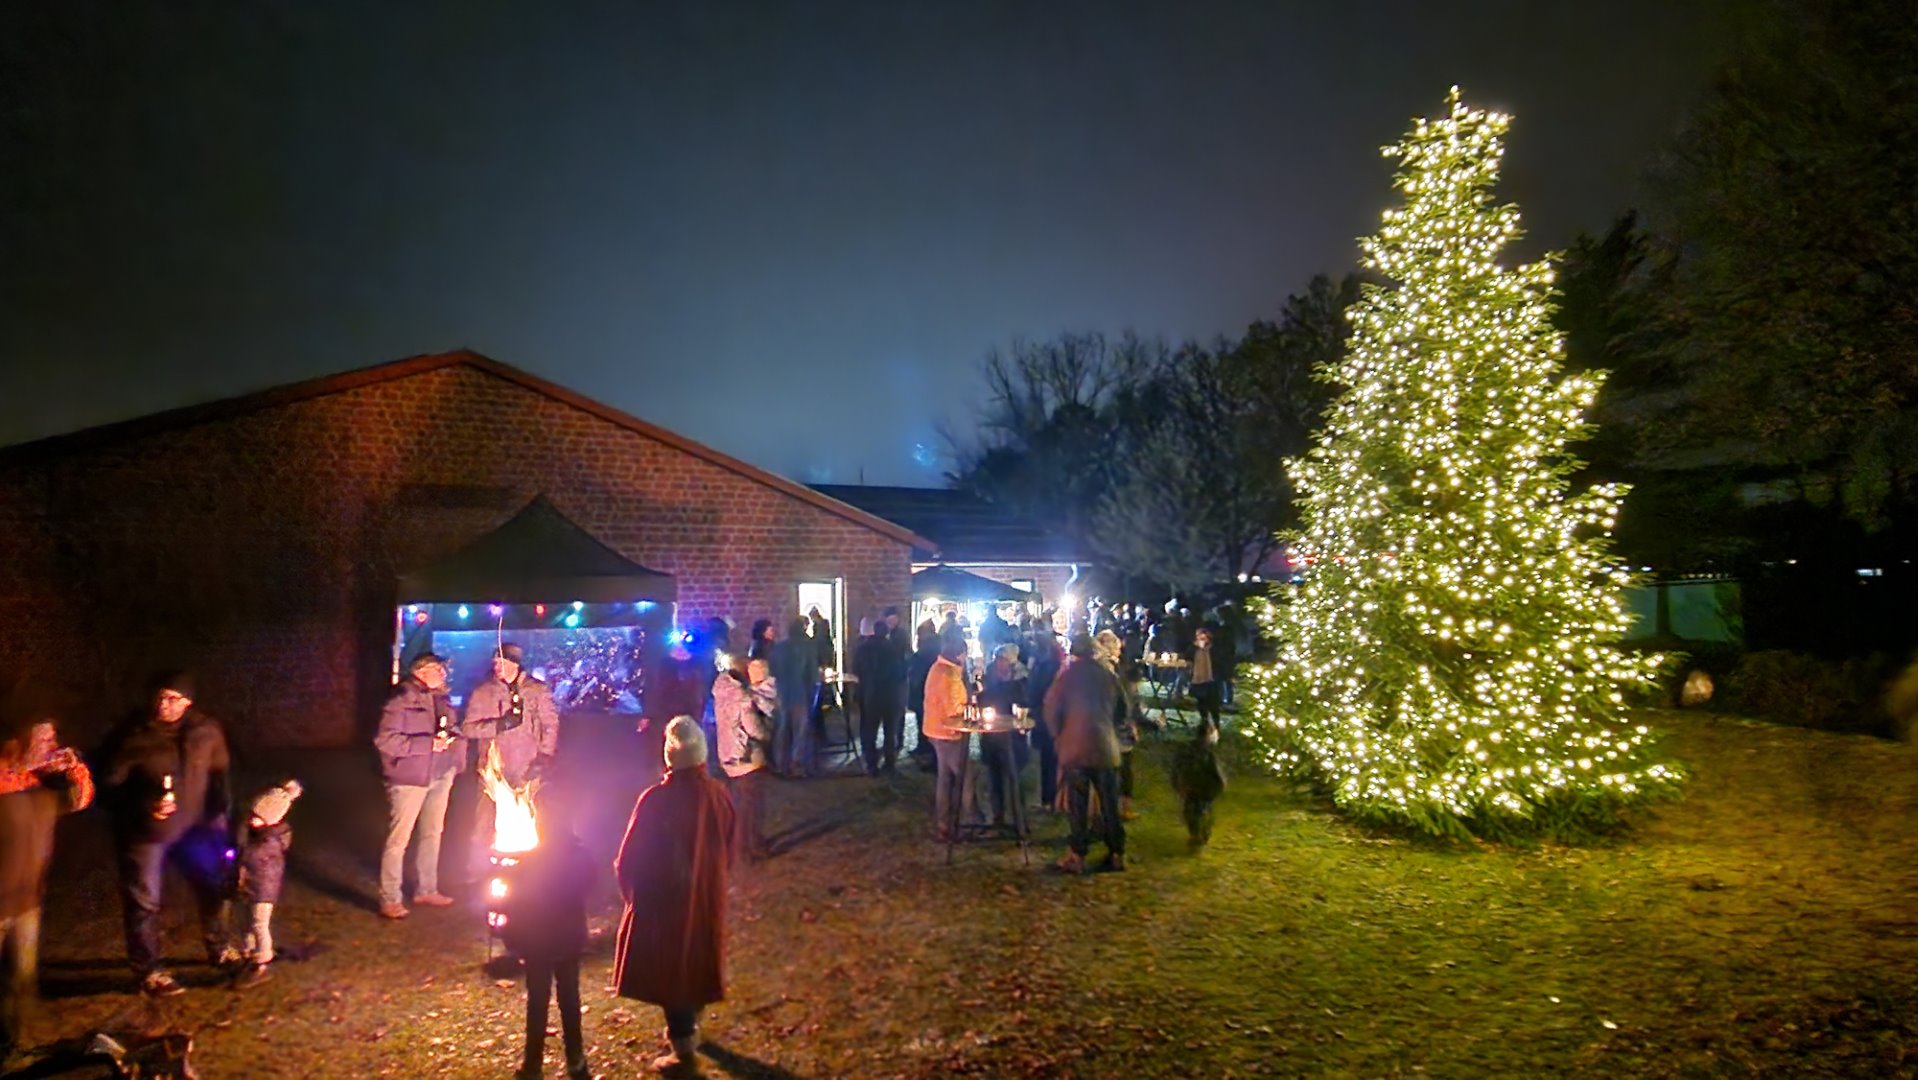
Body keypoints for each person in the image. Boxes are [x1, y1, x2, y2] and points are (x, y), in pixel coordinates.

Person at [98, 671, 236, 995]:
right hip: (147, 834)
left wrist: (220, 817)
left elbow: (220, 775)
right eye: (160, 696)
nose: (163, 704)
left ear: (188, 701)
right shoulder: (133, 737)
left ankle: (220, 948)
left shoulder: (206, 732)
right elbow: (108, 788)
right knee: (144, 902)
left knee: (214, 889)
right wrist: (143, 804)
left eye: (173, 698)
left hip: (195, 829)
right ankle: (148, 970)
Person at [615, 719, 736, 1077]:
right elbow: (730, 844)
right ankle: (691, 1028)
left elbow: (630, 857)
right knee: (696, 957)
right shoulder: (718, 794)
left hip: (664, 903)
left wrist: (633, 895)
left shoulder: (656, 800)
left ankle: (683, 1052)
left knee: (672, 969)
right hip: (704, 895)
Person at [0, 703, 93, 1057]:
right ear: (20, 741)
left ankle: (15, 1047)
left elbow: (80, 801)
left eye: (52, 738)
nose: (49, 745)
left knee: (22, 981)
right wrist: (18, 768)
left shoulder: (44, 786)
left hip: (27, 901)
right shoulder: (5, 778)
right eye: (41, 738)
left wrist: (75, 769)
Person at [507, 788, 595, 1080]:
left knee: (538, 1000)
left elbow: (516, 904)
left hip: (539, 941)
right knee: (569, 998)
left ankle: (533, 1065)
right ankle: (576, 1061)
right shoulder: (581, 857)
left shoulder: (530, 861)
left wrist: (514, 939)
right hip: (569, 937)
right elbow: (590, 887)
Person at [463, 644, 561, 885]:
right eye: (495, 662)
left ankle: (535, 870)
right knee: (484, 820)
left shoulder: (536, 690)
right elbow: (468, 728)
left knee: (533, 817)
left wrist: (544, 756)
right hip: (493, 768)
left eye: (501, 662)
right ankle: (478, 870)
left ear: (514, 663)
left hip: (528, 765)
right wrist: (497, 726)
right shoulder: (483, 692)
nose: (496, 666)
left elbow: (550, 724)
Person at [373, 653, 461, 920]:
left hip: (440, 774)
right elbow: (386, 740)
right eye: (438, 669)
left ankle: (427, 889)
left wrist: (454, 749)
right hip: (410, 779)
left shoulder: (441, 698)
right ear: (421, 672)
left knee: (432, 833)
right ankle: (390, 898)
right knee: (398, 840)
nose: (443, 674)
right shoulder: (400, 700)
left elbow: (452, 729)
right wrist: (428, 745)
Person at [1043, 636, 1125, 874]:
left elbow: (1051, 708)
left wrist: (1058, 735)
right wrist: (1110, 728)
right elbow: (1123, 709)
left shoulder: (1066, 677)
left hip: (1075, 748)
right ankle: (1117, 852)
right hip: (1106, 747)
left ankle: (1077, 855)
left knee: (1077, 805)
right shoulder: (1109, 676)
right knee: (1110, 804)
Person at [234, 779, 300, 988]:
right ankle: (249, 955)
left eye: (257, 817)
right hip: (253, 887)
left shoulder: (267, 843)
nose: (251, 820)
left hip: (263, 891)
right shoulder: (262, 836)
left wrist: (238, 855)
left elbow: (249, 857)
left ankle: (262, 960)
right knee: (247, 924)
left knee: (259, 924)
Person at [713, 657, 776, 862]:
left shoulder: (721, 692)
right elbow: (753, 728)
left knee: (738, 805)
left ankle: (738, 845)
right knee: (752, 807)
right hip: (746, 756)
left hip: (727, 753)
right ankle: (752, 848)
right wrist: (767, 734)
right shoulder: (742, 697)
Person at [921, 629, 970, 841]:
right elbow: (953, 709)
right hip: (947, 732)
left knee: (944, 777)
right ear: (959, 654)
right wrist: (969, 708)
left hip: (935, 729)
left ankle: (944, 823)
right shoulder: (949, 675)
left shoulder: (937, 668)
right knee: (965, 776)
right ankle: (969, 819)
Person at [977, 644, 1029, 830]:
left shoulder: (1020, 682)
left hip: (1013, 739)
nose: (999, 664)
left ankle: (1020, 819)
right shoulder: (990, 679)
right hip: (992, 738)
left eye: (1003, 660)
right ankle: (998, 817)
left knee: (1015, 779)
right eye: (998, 659)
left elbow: (1023, 704)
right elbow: (982, 700)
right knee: (995, 779)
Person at [769, 617, 820, 777]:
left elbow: (772, 671)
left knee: (782, 729)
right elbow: (812, 674)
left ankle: (779, 764)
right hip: (800, 693)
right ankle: (795, 764)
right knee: (800, 730)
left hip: (781, 692)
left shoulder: (778, 648)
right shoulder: (807, 647)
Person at [1172, 717, 1227, 850]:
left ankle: (1195, 833)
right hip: (1204, 788)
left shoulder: (1187, 749)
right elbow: (1216, 772)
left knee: (1191, 810)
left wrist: (1178, 785)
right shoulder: (1209, 752)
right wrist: (1220, 785)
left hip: (1189, 786)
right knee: (1203, 810)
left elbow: (1177, 768)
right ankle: (1201, 833)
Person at [1024, 631, 1064, 812]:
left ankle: (1050, 799)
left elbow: (1034, 690)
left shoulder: (1043, 666)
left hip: (1045, 714)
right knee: (1050, 758)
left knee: (1048, 759)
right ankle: (1052, 799)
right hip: (1051, 715)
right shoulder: (1054, 665)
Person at [905, 620, 939, 768]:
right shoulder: (937, 647)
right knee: (925, 722)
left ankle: (926, 751)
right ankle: (924, 748)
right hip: (930, 692)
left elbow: (917, 673)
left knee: (924, 722)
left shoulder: (924, 652)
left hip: (924, 692)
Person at [1188, 625, 1227, 730]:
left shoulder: (1214, 649)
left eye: (1204, 638)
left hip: (1211, 679)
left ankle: (1215, 723)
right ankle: (1204, 721)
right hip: (1198, 679)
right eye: (1199, 637)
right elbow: (1188, 657)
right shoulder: (1193, 648)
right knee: (1201, 702)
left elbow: (1219, 662)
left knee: (1213, 703)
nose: (1202, 640)